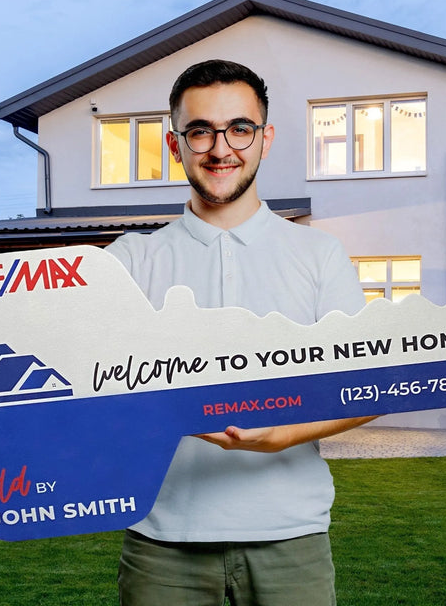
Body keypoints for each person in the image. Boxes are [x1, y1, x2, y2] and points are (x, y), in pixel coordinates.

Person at [106, 59, 375, 605]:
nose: (220, 147)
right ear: (175, 145)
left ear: (265, 138)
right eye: (200, 130)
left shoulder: (319, 255)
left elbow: (365, 384)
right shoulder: (129, 260)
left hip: (291, 536)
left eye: (239, 128)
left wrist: (281, 434)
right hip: (162, 542)